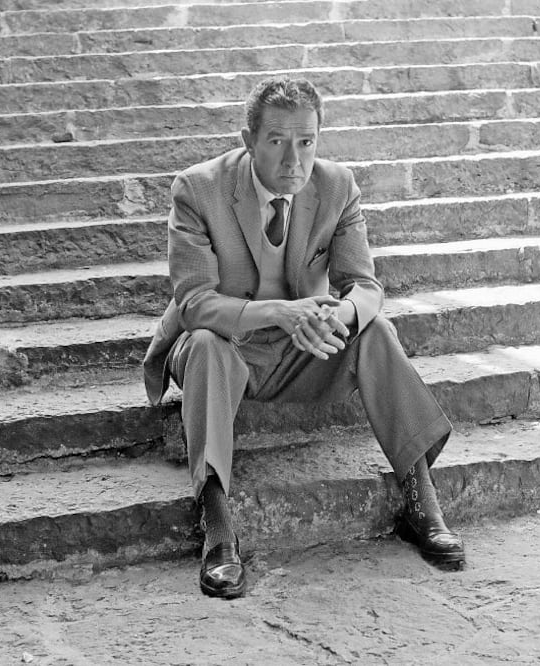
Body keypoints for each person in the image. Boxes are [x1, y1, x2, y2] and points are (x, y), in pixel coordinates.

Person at [142, 77, 464, 599]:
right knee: (203, 344)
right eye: (277, 141)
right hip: (226, 347)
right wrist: (279, 311)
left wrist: (340, 314)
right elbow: (195, 302)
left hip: (303, 348)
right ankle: (217, 528)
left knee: (375, 331)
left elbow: (365, 287)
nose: (294, 160)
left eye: (306, 142)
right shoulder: (198, 189)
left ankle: (421, 500)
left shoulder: (336, 186)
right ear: (249, 141)